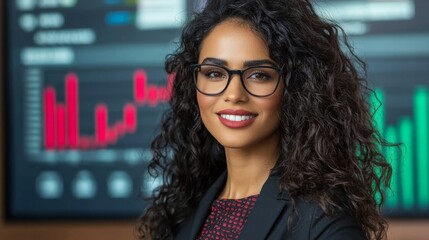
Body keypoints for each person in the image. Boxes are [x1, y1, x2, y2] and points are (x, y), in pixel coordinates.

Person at [136, 0, 392, 239]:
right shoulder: (185, 212)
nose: (234, 94)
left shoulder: (323, 225)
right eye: (214, 73)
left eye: (259, 75)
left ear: (296, 87)